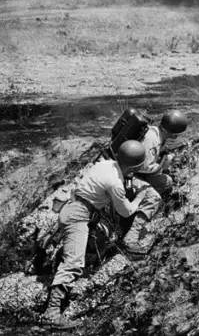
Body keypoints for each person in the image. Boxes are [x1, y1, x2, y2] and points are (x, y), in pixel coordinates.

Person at [41, 140, 149, 329]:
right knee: (73, 263)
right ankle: (52, 313)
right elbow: (126, 211)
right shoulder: (115, 183)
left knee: (89, 245)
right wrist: (140, 197)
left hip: (73, 208)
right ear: (134, 167)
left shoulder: (105, 164)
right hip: (78, 217)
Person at [122, 110, 188, 254]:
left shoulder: (156, 133)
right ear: (173, 133)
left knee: (166, 182)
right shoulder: (152, 139)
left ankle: (138, 205)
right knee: (154, 198)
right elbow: (144, 166)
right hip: (127, 175)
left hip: (133, 172)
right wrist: (162, 166)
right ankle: (131, 237)